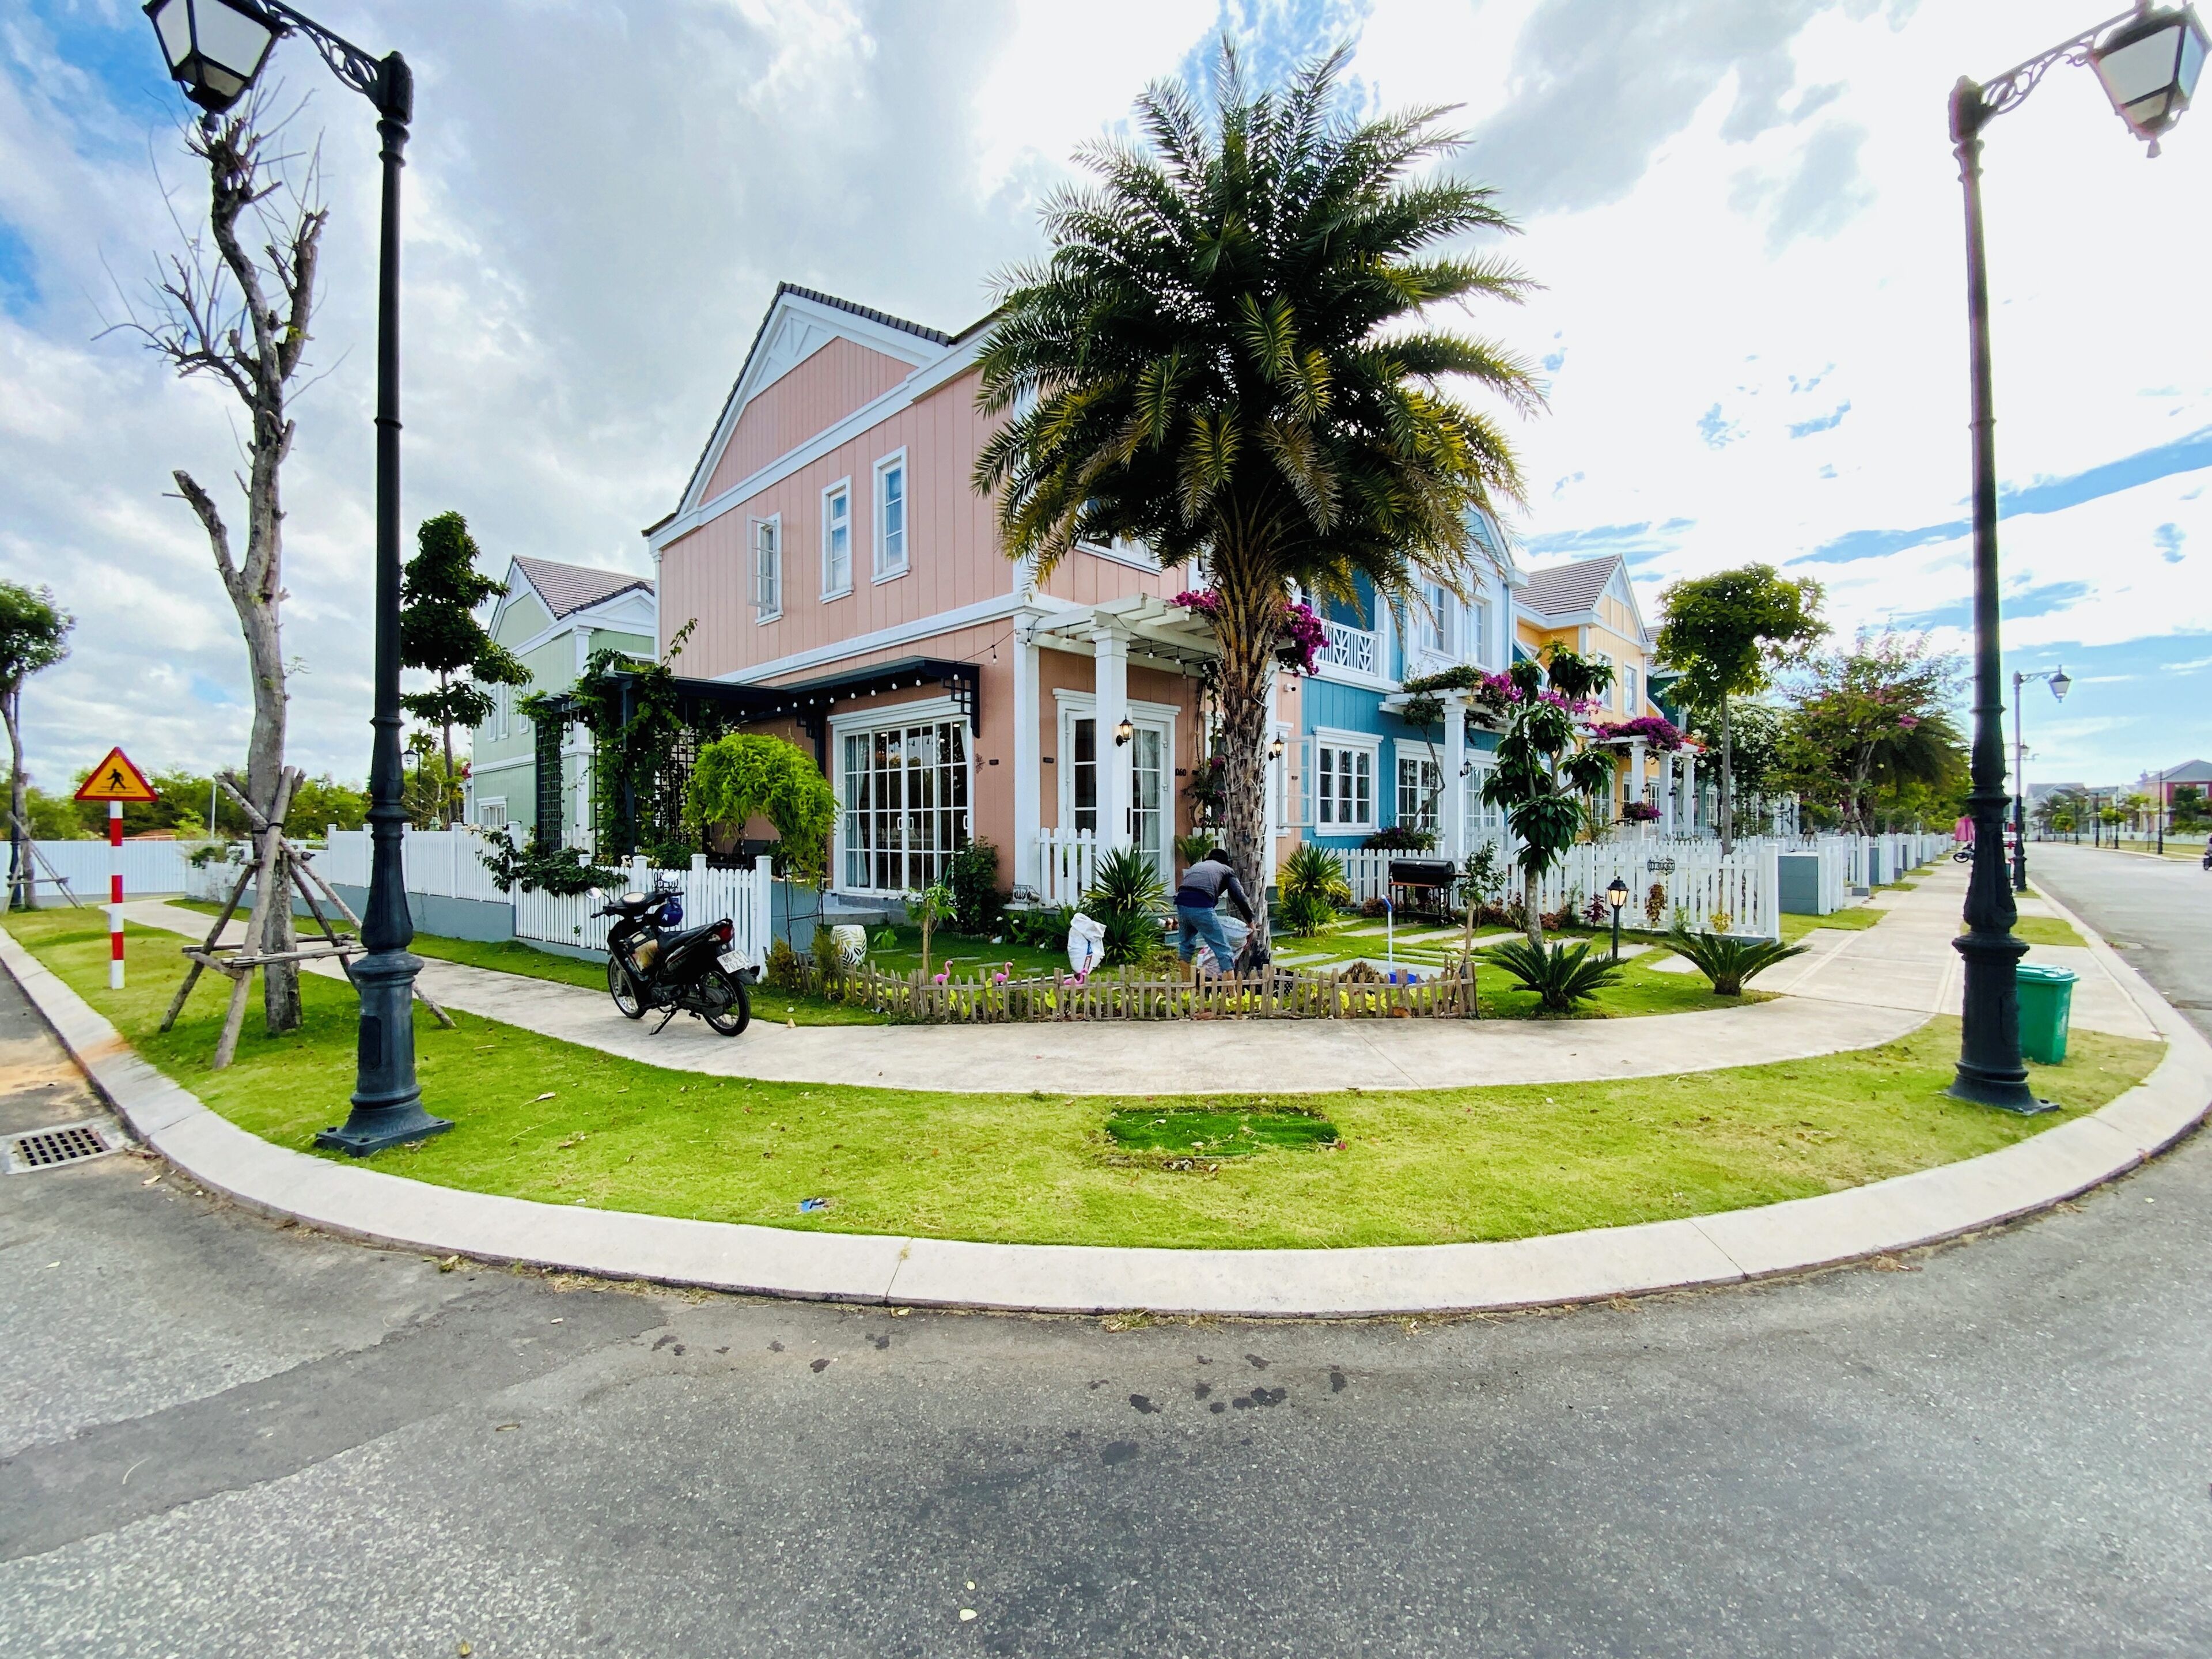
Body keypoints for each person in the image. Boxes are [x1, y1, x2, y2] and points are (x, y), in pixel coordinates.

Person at [1175, 846, 1255, 973]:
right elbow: (1238, 896)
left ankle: (1186, 988)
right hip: (1201, 906)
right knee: (1223, 949)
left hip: (1181, 904)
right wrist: (1250, 919)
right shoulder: (1227, 870)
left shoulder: (1197, 866)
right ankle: (1232, 991)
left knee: (1186, 946)